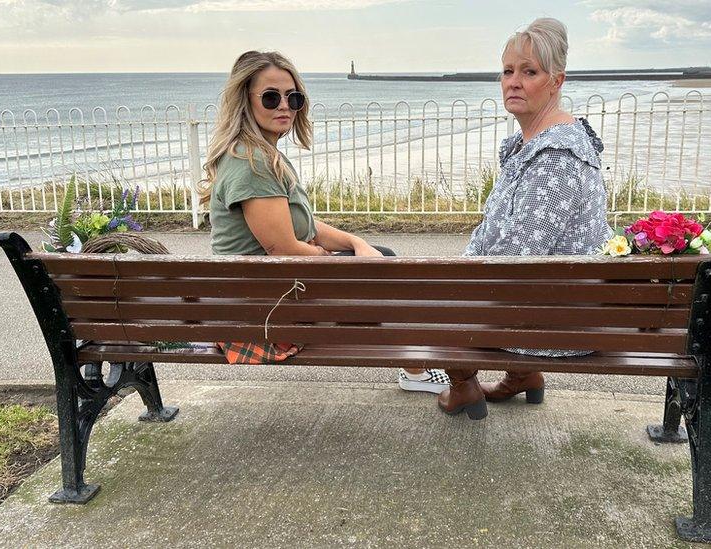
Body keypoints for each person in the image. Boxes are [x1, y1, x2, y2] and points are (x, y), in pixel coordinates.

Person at [196, 50, 448, 393]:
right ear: (246, 101)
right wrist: (335, 263)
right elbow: (284, 250)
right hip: (261, 316)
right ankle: (417, 371)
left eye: (293, 97)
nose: (284, 105)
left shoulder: (260, 155)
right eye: (271, 98)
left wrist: (358, 245)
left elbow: (307, 228)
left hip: (262, 294)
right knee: (384, 268)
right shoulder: (252, 163)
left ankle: (415, 366)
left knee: (378, 256)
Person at [437, 19, 614, 419]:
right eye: (507, 71)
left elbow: (518, 255)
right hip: (547, 304)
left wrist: (461, 274)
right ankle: (523, 374)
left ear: (556, 81)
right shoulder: (534, 143)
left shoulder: (556, 158)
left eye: (529, 72)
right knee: (453, 282)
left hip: (556, 323)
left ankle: (463, 384)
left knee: (433, 299)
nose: (513, 82)